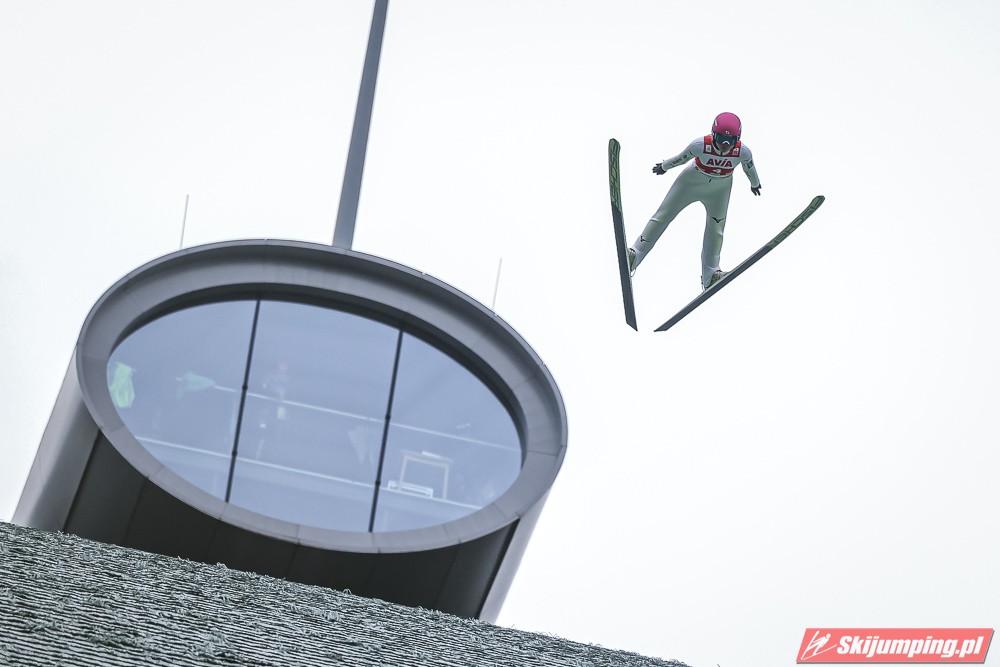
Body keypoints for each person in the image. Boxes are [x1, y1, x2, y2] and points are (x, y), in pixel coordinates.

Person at [627, 112, 762, 290]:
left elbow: (749, 168)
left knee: (716, 229)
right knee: (663, 215)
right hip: (690, 182)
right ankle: (635, 255)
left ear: (738, 139)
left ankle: (711, 275)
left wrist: (755, 183)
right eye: (721, 139)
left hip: (720, 190)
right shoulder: (700, 145)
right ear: (713, 134)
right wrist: (664, 166)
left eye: (730, 141)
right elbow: (681, 158)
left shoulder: (743, 152)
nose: (724, 145)